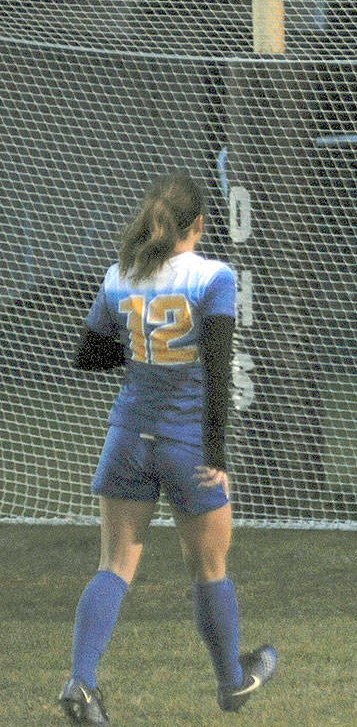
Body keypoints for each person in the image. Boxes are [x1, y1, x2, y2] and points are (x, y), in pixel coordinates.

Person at [58, 172, 277, 724]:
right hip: (186, 445)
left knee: (113, 566)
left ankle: (81, 683)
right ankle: (232, 683)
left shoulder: (119, 276)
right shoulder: (214, 277)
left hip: (127, 438)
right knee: (209, 568)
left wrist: (141, 349)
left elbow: (86, 356)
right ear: (198, 224)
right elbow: (219, 371)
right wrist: (216, 457)